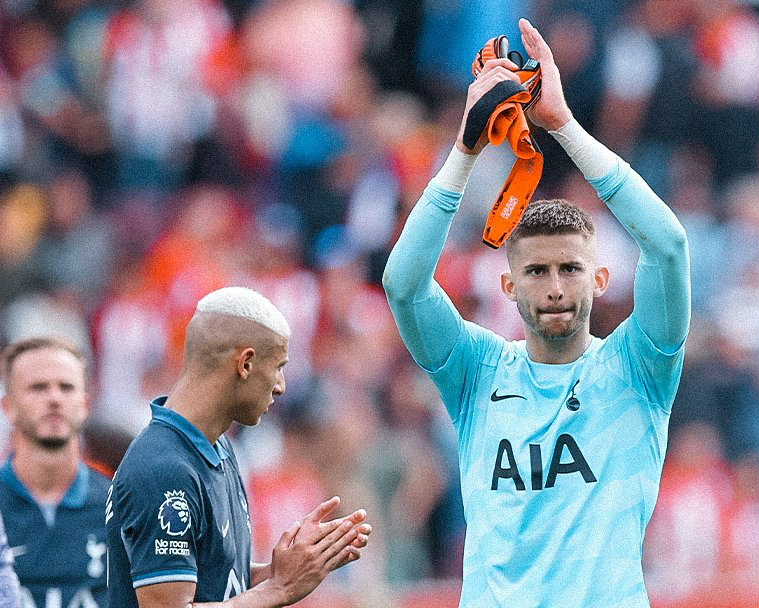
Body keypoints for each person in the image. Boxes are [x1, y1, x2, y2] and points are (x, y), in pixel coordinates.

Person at [382, 18, 690, 607]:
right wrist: (465, 149)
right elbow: (403, 285)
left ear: (600, 280)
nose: (555, 286)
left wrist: (564, 127)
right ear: (508, 285)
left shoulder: (638, 367)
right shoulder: (477, 371)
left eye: (570, 270)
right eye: (537, 272)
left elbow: (669, 247)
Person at [105, 286, 373, 607]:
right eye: (278, 367)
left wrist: (284, 570)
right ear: (245, 364)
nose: (281, 386)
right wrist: (279, 589)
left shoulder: (222, 450)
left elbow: (215, 581)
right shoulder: (163, 468)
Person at [0, 336, 111, 607]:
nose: (54, 398)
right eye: (38, 388)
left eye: (66, 387)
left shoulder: (118, 506)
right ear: (8, 407)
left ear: (85, 405)